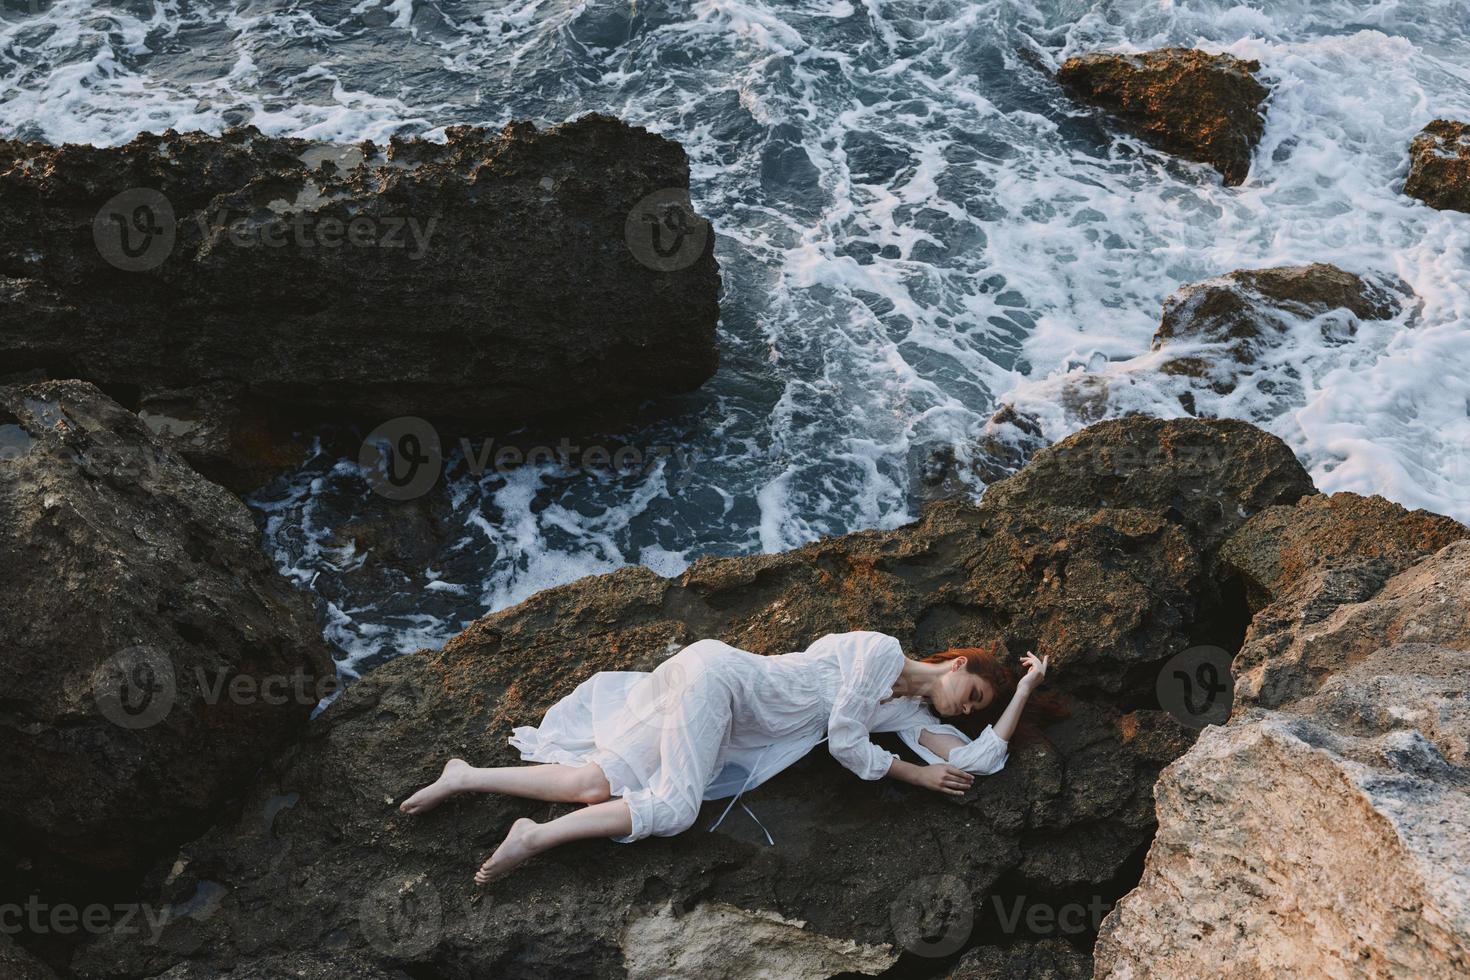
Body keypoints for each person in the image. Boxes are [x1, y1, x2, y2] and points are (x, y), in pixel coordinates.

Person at [398, 631, 1055, 885]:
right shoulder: (880, 652)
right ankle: (532, 838)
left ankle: (464, 777)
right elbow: (849, 743)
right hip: (722, 682)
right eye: (972, 692)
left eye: (974, 707)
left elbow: (980, 760)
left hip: (724, 714)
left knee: (593, 781)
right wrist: (911, 773)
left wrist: (1022, 690)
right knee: (678, 809)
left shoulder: (908, 715)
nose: (965, 709)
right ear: (957, 664)